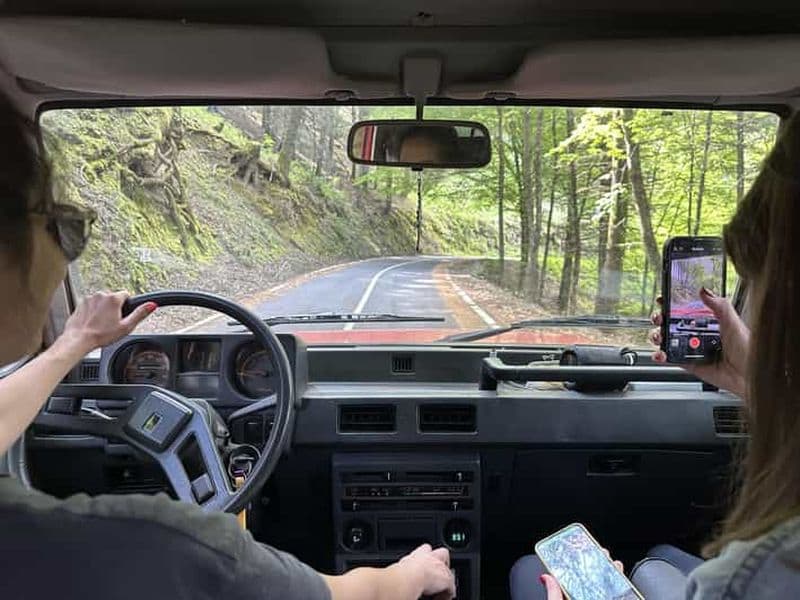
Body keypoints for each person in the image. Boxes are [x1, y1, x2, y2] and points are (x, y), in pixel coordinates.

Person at [0, 93, 455, 600]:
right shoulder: (169, 549)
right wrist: (416, 573)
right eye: (64, 225)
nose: (65, 249)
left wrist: (74, 343)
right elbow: (348, 596)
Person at [511, 112, 800, 600]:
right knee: (658, 558)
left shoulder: (762, 570)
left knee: (529, 572)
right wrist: (752, 378)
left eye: (764, 304)